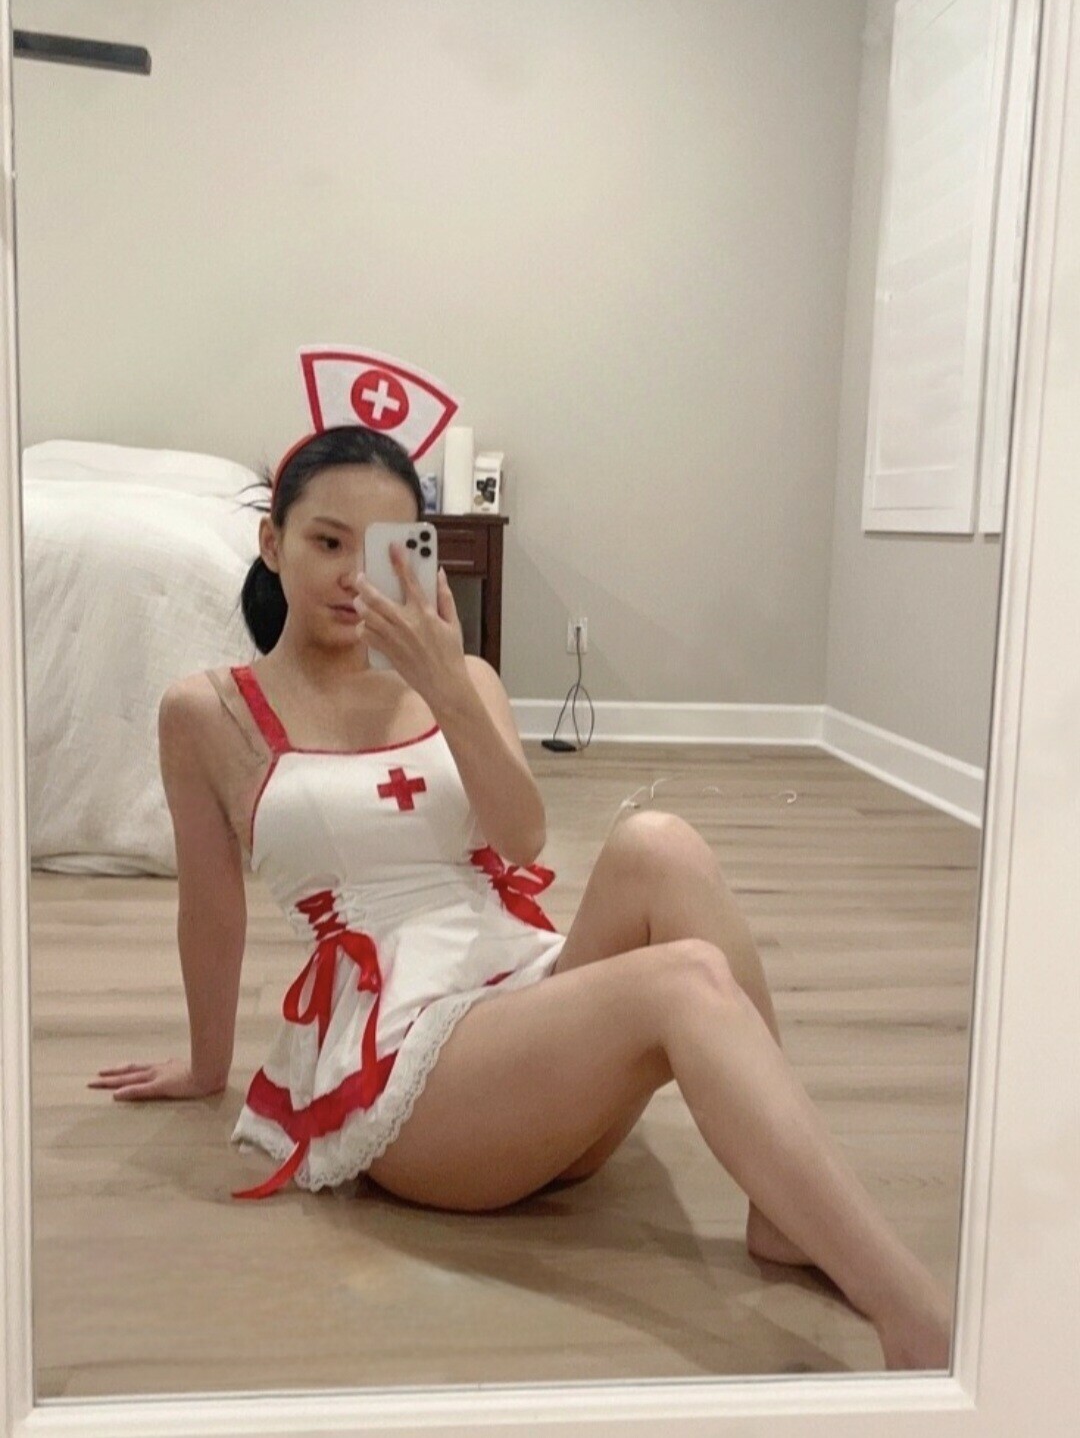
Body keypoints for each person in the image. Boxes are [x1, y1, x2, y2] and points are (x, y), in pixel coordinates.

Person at [90, 423, 952, 1372]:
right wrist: (205, 1066)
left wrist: (446, 688)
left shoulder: (463, 681)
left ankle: (781, 1215)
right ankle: (914, 1315)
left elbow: (521, 840)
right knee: (685, 981)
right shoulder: (207, 711)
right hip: (407, 1064)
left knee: (659, 844)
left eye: (382, 550)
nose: (352, 577)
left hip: (520, 1005)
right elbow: (212, 907)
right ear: (272, 543)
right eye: (327, 542)